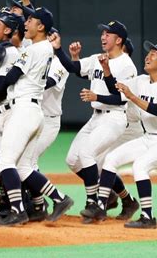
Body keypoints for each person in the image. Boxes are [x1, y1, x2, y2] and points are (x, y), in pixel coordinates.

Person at [0, 6, 73, 226]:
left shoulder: (32, 51)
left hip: (23, 110)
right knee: (23, 168)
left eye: (31, 19)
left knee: (5, 162)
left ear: (40, 26)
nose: (26, 22)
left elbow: (5, 81)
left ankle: (18, 211)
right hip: (32, 111)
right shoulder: (41, 48)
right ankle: (59, 198)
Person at [82, 41, 157, 229]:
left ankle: (148, 217)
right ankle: (100, 206)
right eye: (148, 53)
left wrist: (133, 97)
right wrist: (107, 70)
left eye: (153, 54)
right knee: (110, 159)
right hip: (149, 137)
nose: (148, 56)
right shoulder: (141, 80)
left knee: (140, 166)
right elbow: (115, 89)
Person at [48, 21, 137, 219]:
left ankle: (94, 202)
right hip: (95, 117)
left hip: (114, 117)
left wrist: (97, 97)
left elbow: (121, 98)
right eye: (102, 33)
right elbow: (73, 67)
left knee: (88, 154)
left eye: (108, 34)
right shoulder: (98, 58)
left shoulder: (126, 65)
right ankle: (121, 199)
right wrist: (58, 49)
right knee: (73, 160)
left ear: (119, 39)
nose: (103, 37)